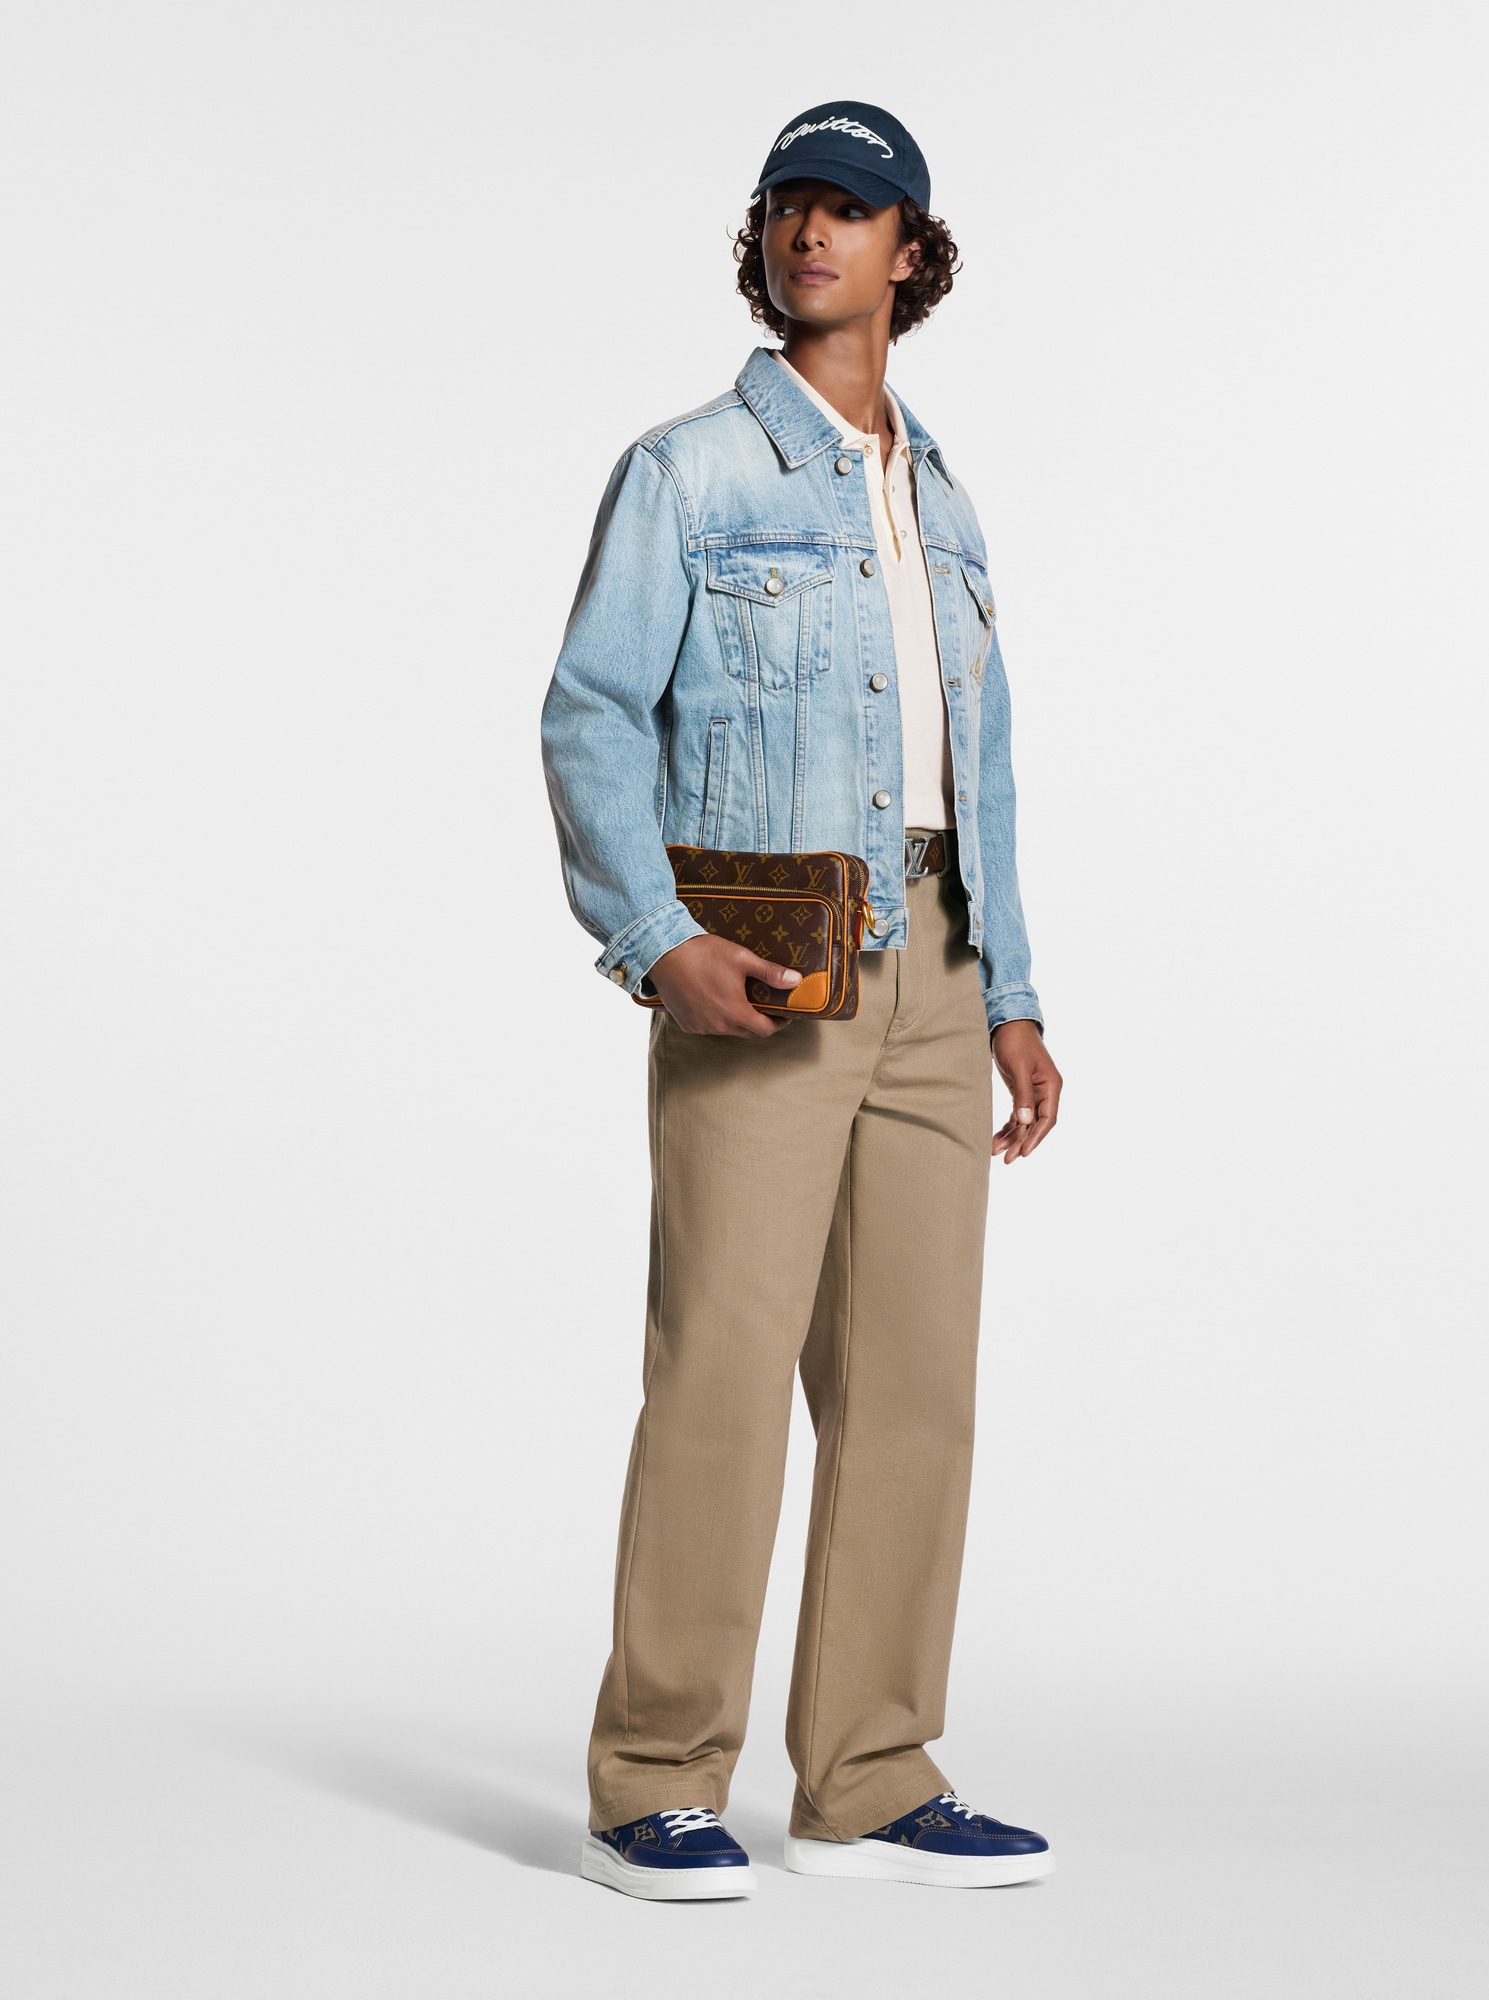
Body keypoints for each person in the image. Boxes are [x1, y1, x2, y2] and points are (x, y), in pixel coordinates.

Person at [542, 101, 1063, 1900]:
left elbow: (984, 773)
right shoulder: (687, 471)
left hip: (937, 969)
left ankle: (869, 1774)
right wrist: (654, 935)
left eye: (853, 210)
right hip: (767, 967)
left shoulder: (945, 495)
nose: (814, 235)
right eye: (791, 208)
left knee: (916, 1388)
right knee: (722, 1370)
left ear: (914, 253)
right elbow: (591, 714)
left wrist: (1012, 992)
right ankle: (655, 1777)